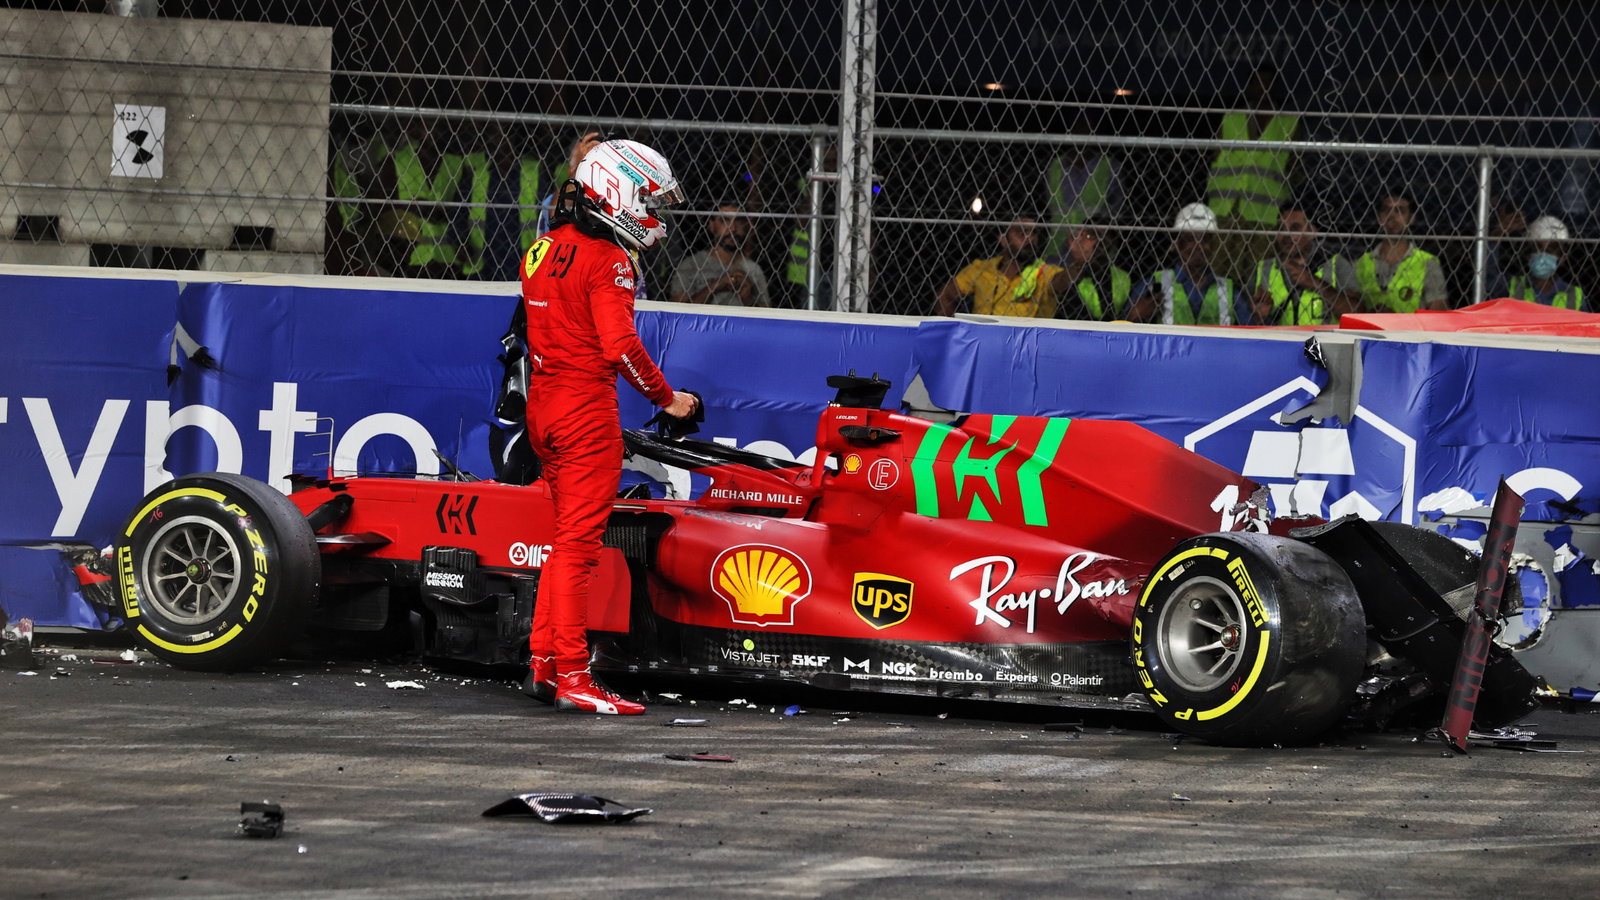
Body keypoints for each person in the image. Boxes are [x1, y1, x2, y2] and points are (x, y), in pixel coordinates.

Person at [519, 138, 698, 715]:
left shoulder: (540, 249)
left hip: (543, 408)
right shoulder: (612, 261)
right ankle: (574, 674)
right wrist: (669, 400)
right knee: (578, 548)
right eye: (648, 200)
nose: (654, 216)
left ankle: (545, 664)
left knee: (562, 542)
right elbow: (620, 347)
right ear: (617, 195)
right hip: (585, 413)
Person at [1207, 66, 1299, 282]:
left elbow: (1295, 167)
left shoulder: (1288, 122)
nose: (1263, 87)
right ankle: (1217, 311)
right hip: (1226, 209)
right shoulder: (1231, 118)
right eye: (1258, 82)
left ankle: (1250, 314)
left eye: (1268, 82)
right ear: (1250, 86)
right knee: (1217, 268)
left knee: (1257, 273)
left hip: (1266, 212)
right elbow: (1213, 156)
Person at [370, 118, 467, 279]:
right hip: (405, 256)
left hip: (448, 259)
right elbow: (379, 208)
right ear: (414, 129)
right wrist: (414, 208)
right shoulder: (396, 160)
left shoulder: (456, 163)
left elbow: (467, 207)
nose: (432, 132)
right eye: (427, 126)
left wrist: (444, 213)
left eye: (438, 127)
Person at [1128, 203, 1242, 325]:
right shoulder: (1155, 283)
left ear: (1213, 246)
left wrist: (1259, 318)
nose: (1197, 245)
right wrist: (1134, 317)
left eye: (1204, 239)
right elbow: (1123, 328)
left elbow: (1250, 328)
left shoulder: (1228, 290)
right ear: (1177, 244)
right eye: (1189, 239)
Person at [1248, 206, 1361, 325]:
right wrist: (1258, 315)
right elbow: (1244, 320)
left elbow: (1357, 315)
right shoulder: (1263, 269)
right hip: (1280, 341)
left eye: (1295, 228)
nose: (1286, 235)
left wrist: (1316, 283)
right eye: (1281, 228)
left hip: (1321, 342)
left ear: (1312, 231)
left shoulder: (1335, 264)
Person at [933, 215, 1064, 318]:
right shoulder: (983, 268)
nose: (1030, 238)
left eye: (1034, 233)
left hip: (1025, 347)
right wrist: (952, 332)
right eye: (1021, 233)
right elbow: (945, 296)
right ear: (1003, 240)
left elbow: (1063, 281)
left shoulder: (1043, 271)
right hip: (982, 344)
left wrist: (1079, 263)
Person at [461, 121, 543, 281]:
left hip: (524, 263)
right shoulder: (479, 173)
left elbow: (546, 216)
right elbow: (459, 213)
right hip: (482, 265)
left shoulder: (532, 172)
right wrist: (460, 243)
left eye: (502, 134)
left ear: (513, 138)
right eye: (492, 134)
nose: (496, 139)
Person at [1355, 191, 1448, 313]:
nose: (1391, 216)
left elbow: (1438, 310)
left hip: (1410, 331)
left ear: (1412, 218)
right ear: (1379, 218)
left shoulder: (1427, 263)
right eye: (1386, 210)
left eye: (1400, 211)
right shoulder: (1361, 264)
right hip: (1368, 331)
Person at [670, 203, 771, 307]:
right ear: (712, 225)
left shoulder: (753, 269)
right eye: (725, 221)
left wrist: (748, 298)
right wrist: (717, 285)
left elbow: (768, 316)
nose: (732, 229)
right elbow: (678, 313)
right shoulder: (691, 265)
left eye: (738, 221)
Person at [1048, 221, 1132, 321]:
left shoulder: (1121, 276)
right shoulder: (1067, 271)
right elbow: (1056, 287)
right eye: (1091, 235)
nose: (1097, 241)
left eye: (1102, 236)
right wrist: (1080, 261)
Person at [1503, 215, 1586, 310]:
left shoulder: (1574, 295)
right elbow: (1488, 277)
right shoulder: (1513, 285)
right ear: (1528, 253)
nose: (1542, 255)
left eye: (1551, 250)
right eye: (1537, 248)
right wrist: (1497, 234)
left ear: (1562, 257)